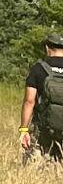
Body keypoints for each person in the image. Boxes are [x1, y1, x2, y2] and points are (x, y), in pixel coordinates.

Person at [19, 32, 63, 161]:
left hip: (43, 128)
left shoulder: (39, 68)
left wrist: (24, 129)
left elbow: (29, 101)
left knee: (36, 167)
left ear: (47, 47)